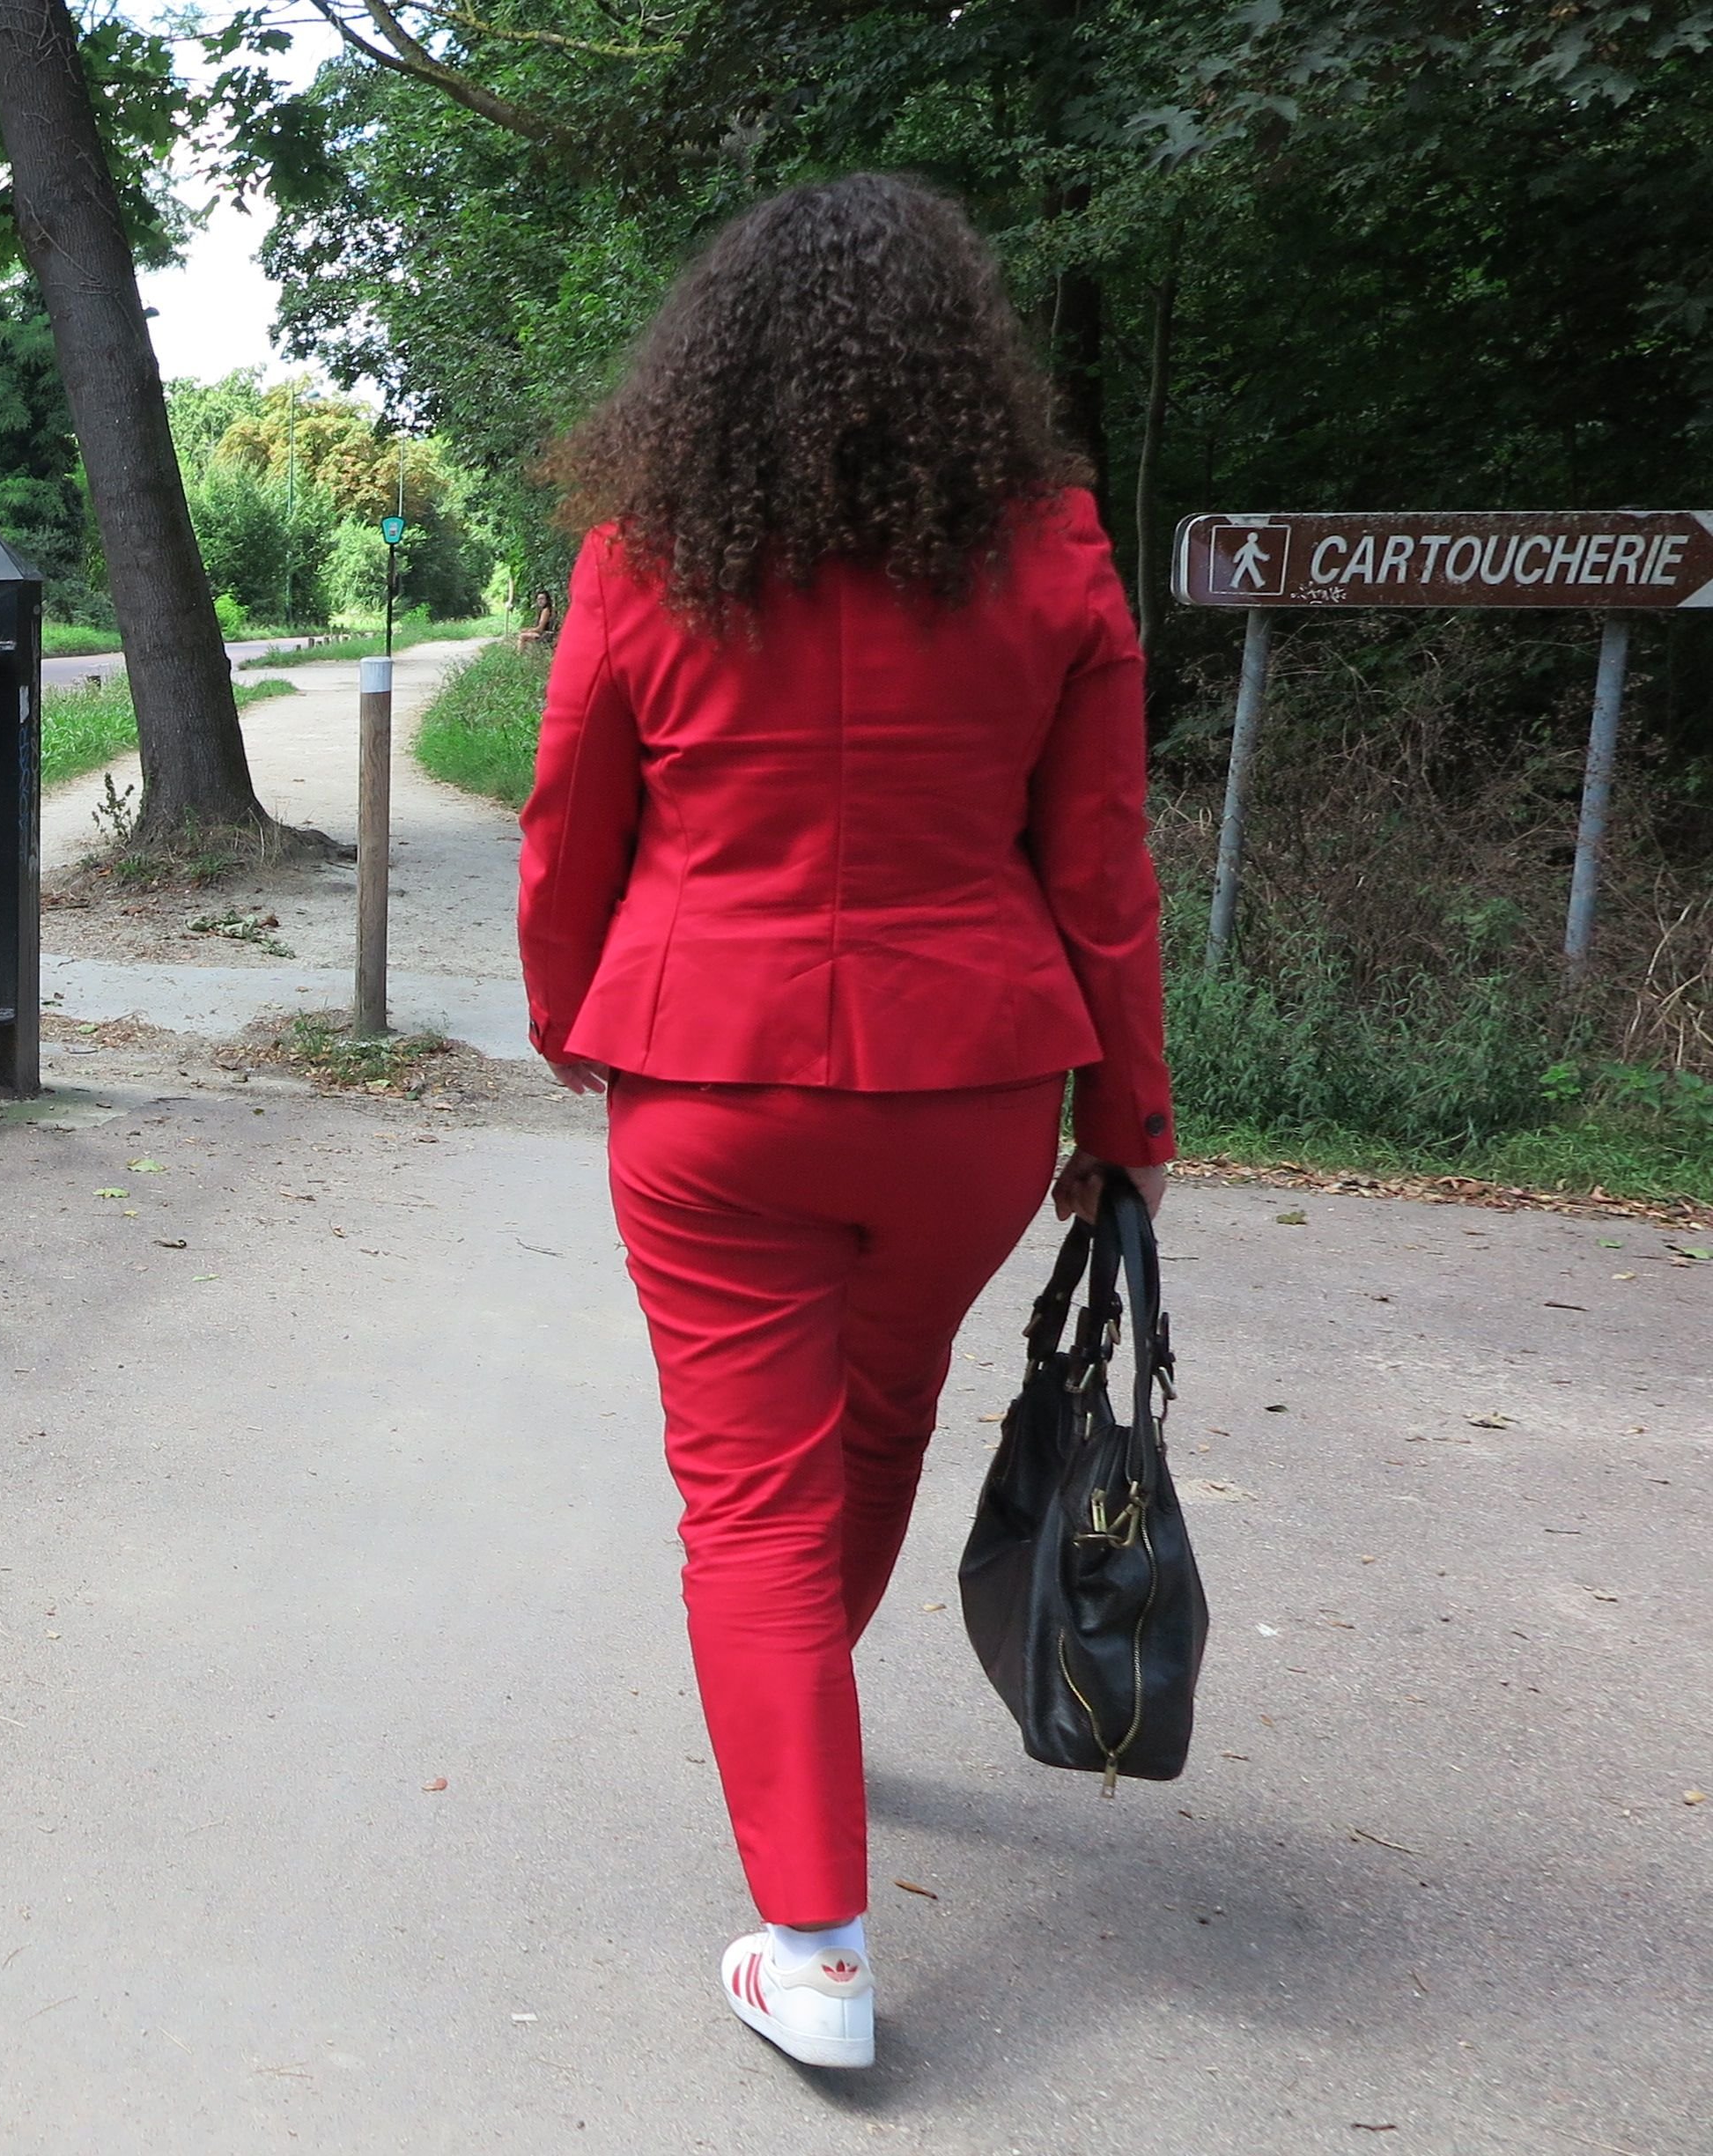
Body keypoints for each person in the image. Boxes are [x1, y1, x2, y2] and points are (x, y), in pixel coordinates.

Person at [514, 172, 1176, 2071]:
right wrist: (1125, 1112)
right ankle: (804, 1718)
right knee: (872, 1419)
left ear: (710, 366)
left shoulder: (647, 552)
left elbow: (571, 821)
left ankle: (811, 1943)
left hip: (709, 1086)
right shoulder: (1049, 549)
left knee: (744, 1497)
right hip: (967, 1091)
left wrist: (572, 1016)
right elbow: (1100, 863)